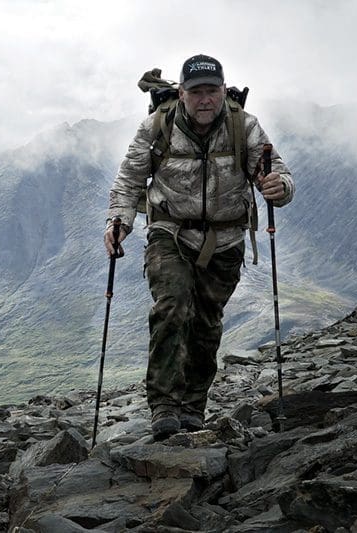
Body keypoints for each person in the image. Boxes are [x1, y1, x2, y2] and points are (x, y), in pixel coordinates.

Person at [104, 54, 294, 440]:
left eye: (212, 91)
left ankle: (193, 408)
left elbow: (275, 174)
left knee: (206, 323)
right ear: (182, 93)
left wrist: (280, 188)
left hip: (226, 240)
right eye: (196, 92)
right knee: (172, 307)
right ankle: (164, 407)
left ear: (224, 91)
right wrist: (118, 222)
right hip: (170, 232)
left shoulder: (245, 128)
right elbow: (129, 180)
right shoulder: (157, 127)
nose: (205, 99)